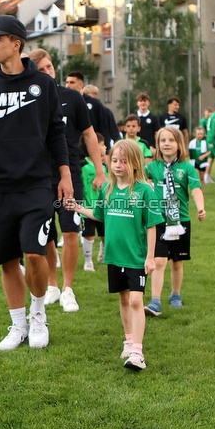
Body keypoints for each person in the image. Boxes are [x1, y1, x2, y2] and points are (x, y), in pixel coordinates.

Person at [0, 15, 71, 351]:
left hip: (36, 186)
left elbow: (56, 132)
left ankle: (39, 315)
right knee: (8, 259)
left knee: (34, 254)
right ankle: (18, 324)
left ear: (16, 43)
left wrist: (64, 174)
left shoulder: (43, 85)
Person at [65, 140, 163, 371]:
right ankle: (128, 340)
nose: (118, 165)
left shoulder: (144, 191)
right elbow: (100, 215)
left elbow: (152, 225)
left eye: (124, 161)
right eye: (115, 160)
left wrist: (150, 257)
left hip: (136, 257)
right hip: (114, 257)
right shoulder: (107, 189)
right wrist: (78, 208)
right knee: (123, 299)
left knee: (136, 300)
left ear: (136, 163)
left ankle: (138, 352)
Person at [30, 49, 105, 314]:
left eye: (50, 66)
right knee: (47, 234)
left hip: (70, 173)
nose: (48, 71)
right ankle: (51, 285)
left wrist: (100, 170)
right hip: (38, 176)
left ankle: (68, 289)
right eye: (42, 69)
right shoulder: (28, 99)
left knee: (71, 229)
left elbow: (89, 134)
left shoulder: (72, 97)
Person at [144, 127, 206, 315]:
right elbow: (138, 180)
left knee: (177, 262)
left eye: (171, 140)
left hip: (181, 221)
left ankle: (175, 294)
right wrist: (146, 184)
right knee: (159, 260)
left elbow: (195, 189)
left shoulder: (186, 168)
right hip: (158, 220)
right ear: (158, 145)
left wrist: (200, 207)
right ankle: (155, 301)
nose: (167, 144)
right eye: (163, 141)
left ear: (179, 144)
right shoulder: (152, 167)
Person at [81, 133, 109, 271]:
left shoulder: (104, 167)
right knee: (89, 234)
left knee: (104, 234)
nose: (105, 147)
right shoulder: (83, 165)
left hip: (103, 208)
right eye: (102, 144)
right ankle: (88, 262)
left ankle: (103, 254)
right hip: (87, 207)